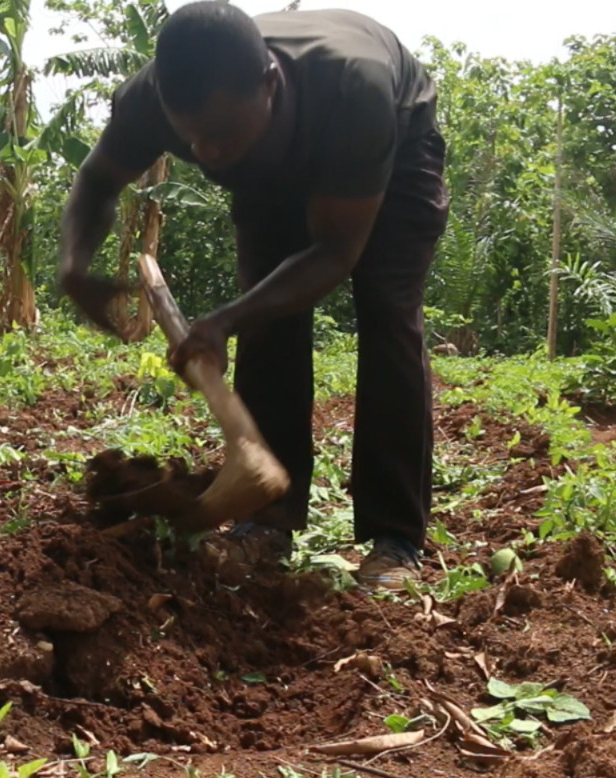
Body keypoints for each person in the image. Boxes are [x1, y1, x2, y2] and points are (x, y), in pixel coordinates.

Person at [58, 2, 448, 591]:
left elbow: (336, 252)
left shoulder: (354, 89)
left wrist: (222, 321)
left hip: (389, 143)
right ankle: (267, 523)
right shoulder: (155, 100)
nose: (206, 152)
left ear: (269, 81)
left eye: (220, 133)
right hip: (271, 163)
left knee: (388, 311)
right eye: (190, 137)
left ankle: (395, 538)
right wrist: (74, 264)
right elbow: (96, 180)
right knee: (268, 319)